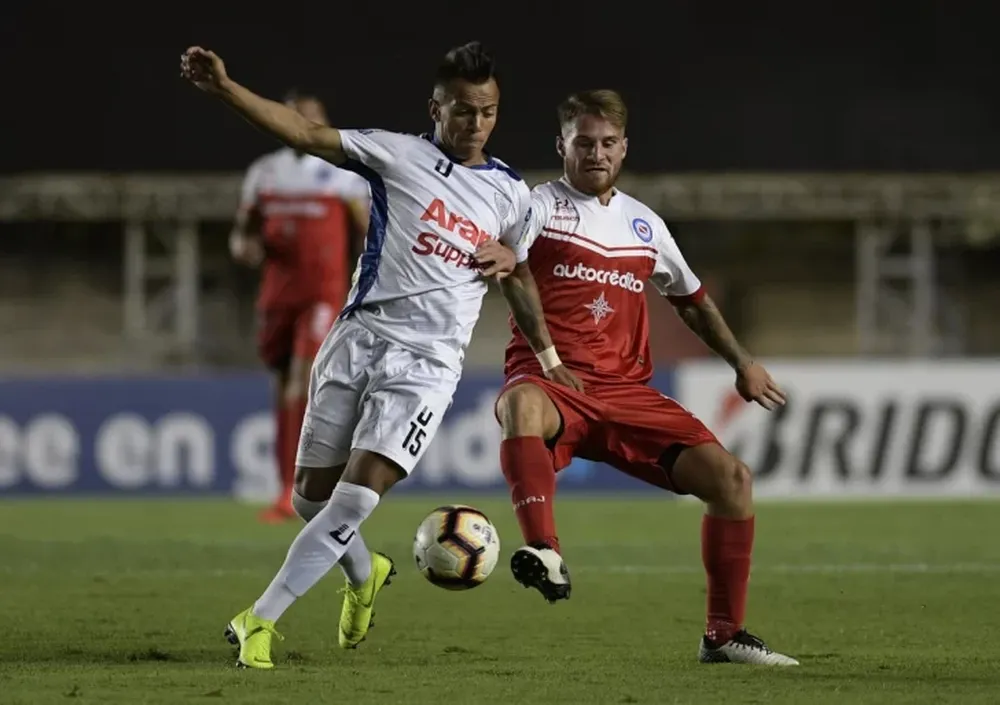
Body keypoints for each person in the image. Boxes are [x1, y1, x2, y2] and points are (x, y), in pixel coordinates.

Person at [180, 41, 580, 669]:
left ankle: (259, 618)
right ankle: (365, 573)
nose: (476, 123)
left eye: (489, 112)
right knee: (311, 497)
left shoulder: (511, 195)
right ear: (437, 108)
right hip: (356, 339)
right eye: (464, 111)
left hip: (425, 367)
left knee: (353, 500)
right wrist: (228, 90)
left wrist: (549, 356)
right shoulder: (397, 154)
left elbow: (521, 276)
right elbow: (306, 133)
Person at [496, 89, 799, 666]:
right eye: (583, 142)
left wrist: (742, 362)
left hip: (627, 393)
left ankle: (724, 635)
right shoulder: (536, 205)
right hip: (554, 381)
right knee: (520, 407)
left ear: (624, 147)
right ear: (561, 145)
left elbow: (692, 300)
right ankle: (544, 550)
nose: (596, 153)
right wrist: (552, 360)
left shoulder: (645, 224)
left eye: (608, 143)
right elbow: (513, 273)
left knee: (732, 481)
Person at [231, 89, 371, 524]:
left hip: (322, 295)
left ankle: (297, 490)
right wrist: (246, 248)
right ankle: (282, 486)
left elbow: (369, 234)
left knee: (300, 380)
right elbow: (243, 233)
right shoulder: (264, 174)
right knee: (282, 388)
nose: (307, 126)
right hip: (277, 297)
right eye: (298, 117)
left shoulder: (344, 176)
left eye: (314, 117)